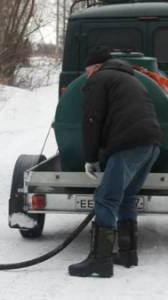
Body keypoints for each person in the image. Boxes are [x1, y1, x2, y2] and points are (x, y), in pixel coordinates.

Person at [68, 46, 162, 277]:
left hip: (129, 144)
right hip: (151, 144)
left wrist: (89, 158)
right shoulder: (131, 79)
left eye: (88, 70)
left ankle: (100, 261)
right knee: (126, 197)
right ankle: (128, 253)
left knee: (105, 198)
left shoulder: (100, 79)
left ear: (96, 67)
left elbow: (92, 119)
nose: (87, 75)